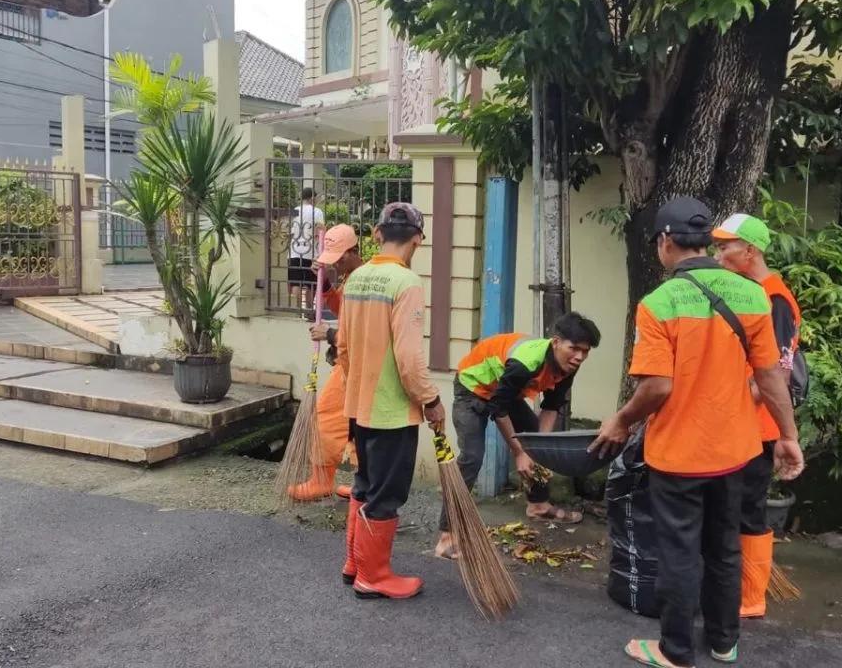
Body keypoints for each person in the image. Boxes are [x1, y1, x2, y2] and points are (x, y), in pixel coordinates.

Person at [589, 197, 804, 668]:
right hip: (737, 450)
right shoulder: (752, 295)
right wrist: (788, 435)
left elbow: (657, 387)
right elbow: (771, 376)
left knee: (680, 551)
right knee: (724, 547)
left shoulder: (659, 303)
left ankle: (676, 650)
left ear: (666, 242)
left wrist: (623, 420)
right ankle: (725, 642)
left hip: (679, 455)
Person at [337, 202, 444, 600]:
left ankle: (355, 564)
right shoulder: (407, 283)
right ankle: (373, 576)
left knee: (364, 484)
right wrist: (430, 400)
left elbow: (343, 346)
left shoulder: (358, 278)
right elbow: (410, 358)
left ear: (378, 233)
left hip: (359, 406)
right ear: (417, 238)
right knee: (386, 494)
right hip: (391, 413)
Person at [433, 312, 602, 559]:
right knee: (471, 458)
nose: (580, 357)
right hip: (472, 389)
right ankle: (446, 535)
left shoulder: (568, 365)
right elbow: (498, 409)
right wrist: (520, 452)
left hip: (504, 393)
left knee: (538, 442)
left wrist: (538, 449)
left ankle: (538, 505)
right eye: (574, 348)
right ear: (556, 342)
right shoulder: (525, 363)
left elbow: (552, 406)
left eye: (585, 351)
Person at [713, 213, 802, 619]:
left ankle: (751, 598)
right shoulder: (754, 293)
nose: (718, 254)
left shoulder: (774, 299)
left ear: (749, 251)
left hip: (758, 428)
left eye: (724, 246)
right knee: (732, 507)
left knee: (749, 510)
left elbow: (776, 371)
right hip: (740, 425)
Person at [287, 224, 364, 502]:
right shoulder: (352, 279)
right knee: (330, 417)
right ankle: (323, 480)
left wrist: (330, 334)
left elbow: (366, 332)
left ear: (354, 251)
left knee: (359, 428)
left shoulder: (363, 281)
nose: (338, 264)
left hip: (362, 367)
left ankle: (363, 488)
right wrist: (328, 285)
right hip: (347, 365)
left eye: (340, 259)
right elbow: (343, 309)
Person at [288, 187, 325, 308]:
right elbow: (319, 230)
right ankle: (309, 311)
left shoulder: (294, 210)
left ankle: (296, 311)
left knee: (295, 283)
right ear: (312, 198)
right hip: (311, 252)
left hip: (294, 251)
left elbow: (289, 231)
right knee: (311, 284)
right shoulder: (317, 211)